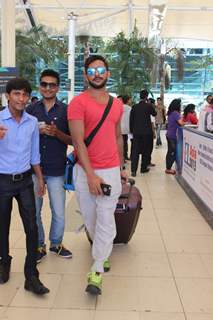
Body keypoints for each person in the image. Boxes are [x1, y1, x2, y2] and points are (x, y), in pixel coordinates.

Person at [68, 55, 126, 295]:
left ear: (108, 73)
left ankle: (96, 270)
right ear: (86, 75)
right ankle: (102, 252)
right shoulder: (78, 103)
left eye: (101, 70)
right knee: (91, 220)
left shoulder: (117, 105)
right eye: (92, 71)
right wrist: (91, 175)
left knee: (105, 217)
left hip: (111, 170)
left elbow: (117, 137)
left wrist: (122, 167)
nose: (97, 74)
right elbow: (78, 141)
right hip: (85, 171)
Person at [0, 78, 49, 295]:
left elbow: (34, 154)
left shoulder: (31, 122)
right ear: (8, 95)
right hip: (2, 181)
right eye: (17, 94)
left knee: (32, 227)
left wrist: (40, 179)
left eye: (25, 95)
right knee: (2, 226)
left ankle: (31, 275)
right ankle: (4, 262)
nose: (21, 99)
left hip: (25, 182)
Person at [27, 69, 72, 263]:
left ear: (58, 88)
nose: (47, 88)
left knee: (59, 212)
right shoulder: (30, 110)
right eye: (44, 84)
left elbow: (73, 139)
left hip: (56, 169)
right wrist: (35, 131)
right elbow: (21, 138)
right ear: (39, 86)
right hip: (34, 170)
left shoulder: (65, 111)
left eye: (52, 84)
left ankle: (56, 243)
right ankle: (39, 245)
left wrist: (56, 133)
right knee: (34, 212)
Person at [130, 89, 156, 176]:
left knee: (135, 151)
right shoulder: (148, 106)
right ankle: (143, 168)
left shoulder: (134, 107)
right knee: (146, 150)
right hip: (147, 132)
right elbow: (155, 113)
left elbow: (131, 120)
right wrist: (150, 104)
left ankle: (133, 170)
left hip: (136, 132)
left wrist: (131, 130)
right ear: (146, 96)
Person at [165, 99, 184, 175]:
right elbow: (181, 123)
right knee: (172, 152)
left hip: (169, 135)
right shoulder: (175, 113)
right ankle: (168, 169)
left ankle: (168, 168)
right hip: (172, 136)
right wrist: (185, 122)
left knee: (170, 152)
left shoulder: (171, 112)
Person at [119, 95, 131, 161]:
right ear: (127, 100)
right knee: (125, 143)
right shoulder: (129, 108)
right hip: (126, 128)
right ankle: (124, 156)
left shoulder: (119, 107)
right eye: (129, 99)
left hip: (119, 128)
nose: (130, 101)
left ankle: (123, 157)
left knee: (122, 143)